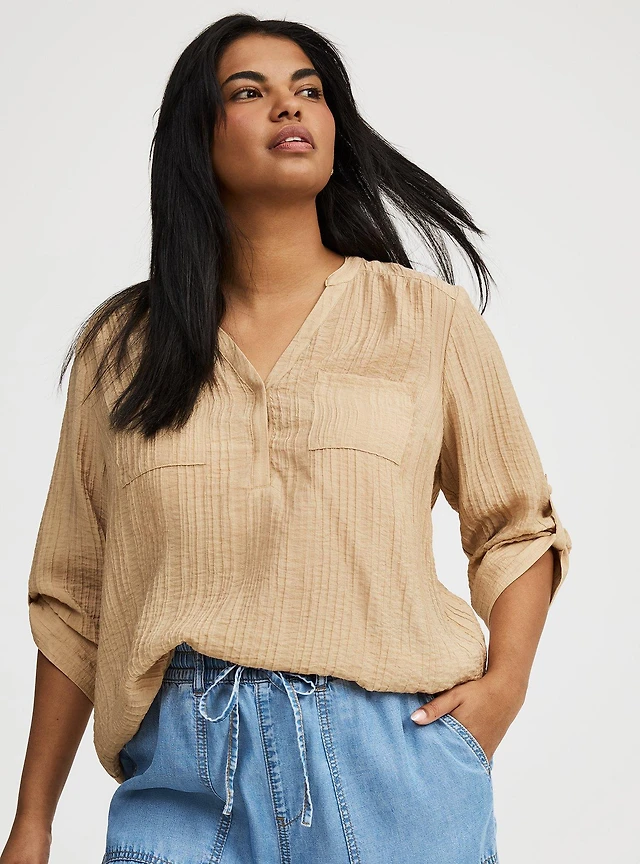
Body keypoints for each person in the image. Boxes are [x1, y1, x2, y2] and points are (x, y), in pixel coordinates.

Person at [2, 13, 571, 864]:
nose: (289, 106)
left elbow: (518, 527)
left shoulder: (425, 320)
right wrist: (32, 822)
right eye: (249, 91)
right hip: (182, 779)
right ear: (197, 135)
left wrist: (504, 691)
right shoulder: (122, 349)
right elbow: (75, 598)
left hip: (392, 772)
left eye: (309, 89)